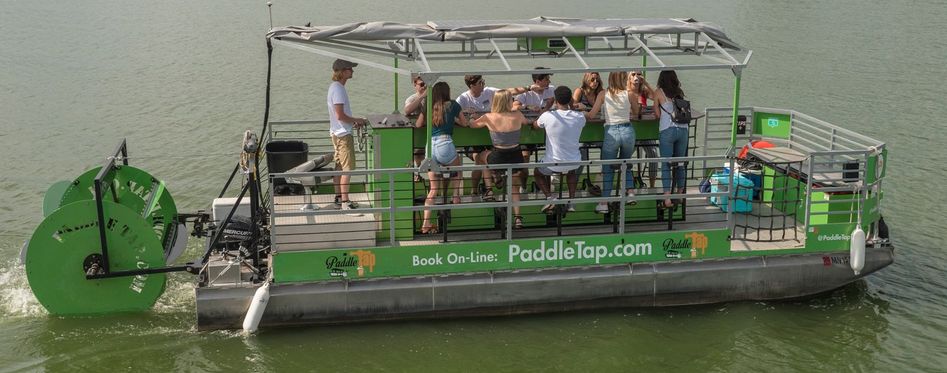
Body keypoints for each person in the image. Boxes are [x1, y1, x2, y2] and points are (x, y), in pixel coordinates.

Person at [456, 75, 532, 200]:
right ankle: (477, 189)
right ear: (472, 86)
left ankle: (490, 187)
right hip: (498, 147)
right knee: (478, 158)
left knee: (483, 158)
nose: (483, 84)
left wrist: (528, 88)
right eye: (481, 82)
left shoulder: (489, 93)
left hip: (494, 144)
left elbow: (508, 92)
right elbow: (455, 111)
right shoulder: (463, 98)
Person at [470, 90, 531, 229]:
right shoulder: (517, 114)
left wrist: (472, 117)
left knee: (481, 156)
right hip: (516, 157)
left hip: (498, 157)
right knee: (514, 187)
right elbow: (527, 122)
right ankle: (517, 218)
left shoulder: (489, 117)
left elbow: (472, 125)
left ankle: (489, 189)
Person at [415, 82, 468, 234]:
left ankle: (425, 224)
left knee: (433, 189)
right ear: (447, 92)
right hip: (446, 143)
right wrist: (455, 120)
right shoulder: (453, 105)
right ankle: (456, 195)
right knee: (457, 169)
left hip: (430, 147)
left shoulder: (429, 106)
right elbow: (465, 123)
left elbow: (418, 125)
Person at [586, 71, 640, 214]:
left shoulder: (603, 94)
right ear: (623, 79)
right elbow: (637, 112)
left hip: (611, 133)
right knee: (626, 162)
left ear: (609, 79)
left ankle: (604, 203)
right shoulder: (629, 94)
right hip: (628, 130)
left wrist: (580, 113)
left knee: (608, 168)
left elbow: (591, 115)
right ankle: (630, 193)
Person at [533, 86, 586, 214]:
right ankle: (571, 201)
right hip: (574, 162)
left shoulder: (548, 116)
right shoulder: (580, 117)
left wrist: (547, 107)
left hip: (553, 164)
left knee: (537, 172)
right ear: (570, 100)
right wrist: (572, 106)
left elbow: (535, 126)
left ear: (555, 100)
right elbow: (575, 116)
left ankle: (550, 198)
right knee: (571, 171)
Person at [326, 59, 369, 216]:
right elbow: (341, 115)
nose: (353, 71)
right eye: (350, 69)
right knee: (347, 169)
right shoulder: (338, 89)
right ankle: (345, 203)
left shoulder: (335, 87)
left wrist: (352, 122)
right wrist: (358, 120)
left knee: (339, 167)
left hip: (337, 133)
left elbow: (339, 117)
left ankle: (339, 198)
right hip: (343, 135)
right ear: (342, 71)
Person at [653, 70, 690, 209]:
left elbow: (657, 114)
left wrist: (655, 109)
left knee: (666, 164)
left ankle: (667, 198)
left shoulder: (658, 92)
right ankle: (680, 195)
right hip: (683, 130)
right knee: (680, 163)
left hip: (667, 130)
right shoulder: (679, 91)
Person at [629, 70, 659, 189]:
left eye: (639, 74)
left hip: (646, 131)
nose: (636, 77)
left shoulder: (644, 92)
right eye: (633, 74)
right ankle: (628, 184)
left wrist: (645, 83)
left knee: (653, 155)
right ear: (629, 78)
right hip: (632, 131)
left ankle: (652, 185)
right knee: (624, 156)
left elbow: (656, 97)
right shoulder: (626, 93)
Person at [403, 75, 427, 179]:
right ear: (415, 85)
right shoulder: (412, 98)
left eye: (426, 84)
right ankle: (416, 174)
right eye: (421, 84)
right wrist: (422, 96)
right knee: (417, 154)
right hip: (416, 133)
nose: (424, 86)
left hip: (429, 132)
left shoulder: (433, 97)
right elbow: (407, 110)